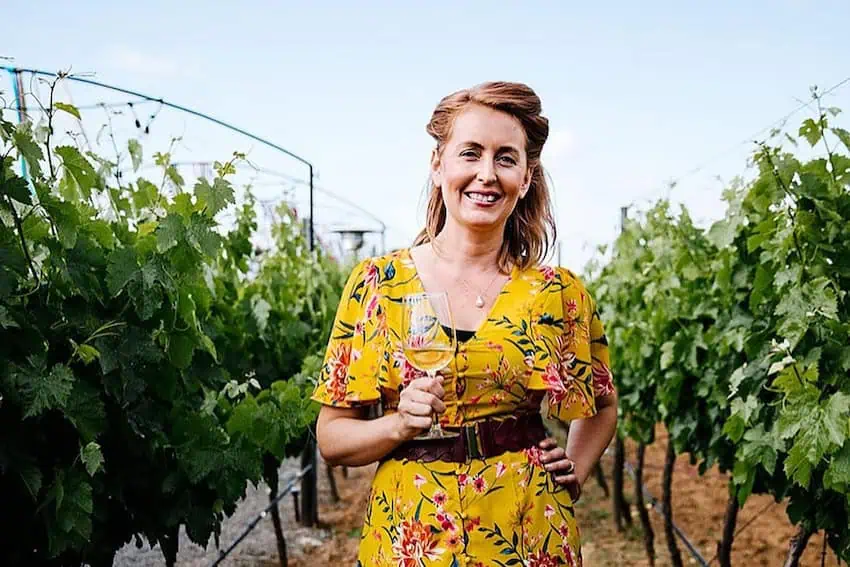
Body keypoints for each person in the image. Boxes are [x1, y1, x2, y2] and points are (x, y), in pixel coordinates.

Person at [312, 81, 618, 567]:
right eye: (470, 153)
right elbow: (331, 437)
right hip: (411, 534)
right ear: (439, 165)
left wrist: (576, 471)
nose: (486, 174)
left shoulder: (558, 293)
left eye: (505, 157)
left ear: (525, 176)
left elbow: (601, 404)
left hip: (528, 528)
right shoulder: (379, 284)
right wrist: (397, 425)